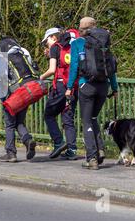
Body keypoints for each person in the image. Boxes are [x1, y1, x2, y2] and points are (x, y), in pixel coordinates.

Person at [66, 17, 118, 170]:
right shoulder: (104, 43)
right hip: (103, 86)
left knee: (87, 121)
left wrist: (69, 87)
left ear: (81, 29)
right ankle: (100, 149)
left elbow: (74, 67)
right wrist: (114, 88)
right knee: (93, 117)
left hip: (86, 86)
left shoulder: (77, 43)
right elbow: (111, 68)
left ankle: (92, 158)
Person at [0, 37, 38, 162]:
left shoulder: (0, 56)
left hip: (13, 94)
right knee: (19, 121)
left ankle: (11, 153)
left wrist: (2, 97)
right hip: (27, 90)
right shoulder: (23, 52)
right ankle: (28, 140)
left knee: (10, 124)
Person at [40, 27, 79, 160]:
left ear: (53, 37)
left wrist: (40, 77)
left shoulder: (55, 48)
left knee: (49, 115)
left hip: (61, 86)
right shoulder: (72, 45)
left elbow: (51, 70)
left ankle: (58, 142)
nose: (47, 44)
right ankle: (72, 150)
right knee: (68, 118)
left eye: (47, 41)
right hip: (73, 86)